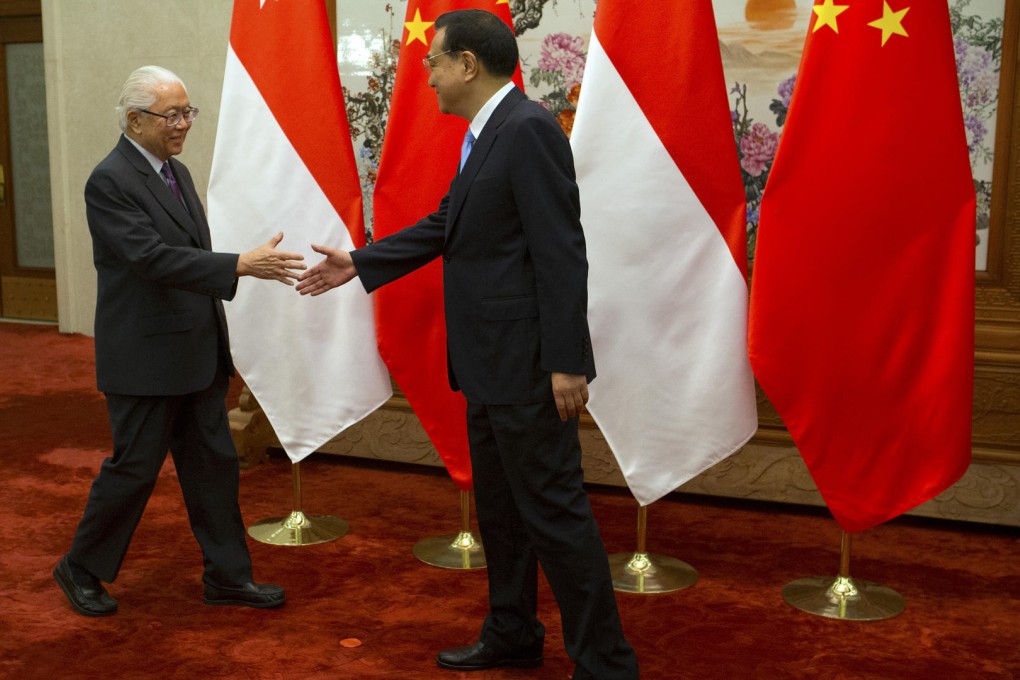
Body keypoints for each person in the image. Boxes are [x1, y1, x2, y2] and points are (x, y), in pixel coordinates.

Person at [296, 10, 639, 680]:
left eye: (433, 61)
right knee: (503, 514)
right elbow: (451, 220)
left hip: (529, 369)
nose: (425, 75)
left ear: (468, 65)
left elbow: (562, 253)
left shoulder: (528, 130)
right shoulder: (491, 135)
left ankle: (606, 664)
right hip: (487, 365)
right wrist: (361, 263)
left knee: (555, 516)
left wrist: (567, 360)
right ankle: (512, 632)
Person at [54, 65, 303, 617]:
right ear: (136, 119)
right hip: (145, 358)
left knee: (213, 468)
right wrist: (238, 264)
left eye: (188, 112)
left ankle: (229, 578)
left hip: (193, 353)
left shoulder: (175, 172)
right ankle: (80, 568)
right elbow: (150, 258)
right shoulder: (110, 180)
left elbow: (184, 258)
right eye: (173, 114)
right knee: (134, 470)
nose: (185, 123)